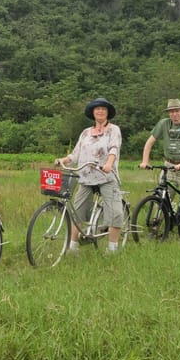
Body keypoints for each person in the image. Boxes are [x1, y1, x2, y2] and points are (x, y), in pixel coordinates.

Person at [57, 98, 124, 254]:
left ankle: (112, 247)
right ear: (93, 113)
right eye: (97, 109)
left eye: (103, 109)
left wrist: (109, 163)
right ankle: (72, 246)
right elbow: (75, 154)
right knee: (77, 211)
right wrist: (63, 160)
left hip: (106, 176)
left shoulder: (114, 130)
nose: (100, 111)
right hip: (86, 176)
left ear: (107, 113)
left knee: (115, 212)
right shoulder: (86, 132)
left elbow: (114, 148)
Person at [139, 98, 180, 236]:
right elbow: (149, 142)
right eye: (171, 112)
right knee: (162, 197)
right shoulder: (164, 124)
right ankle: (155, 229)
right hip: (169, 165)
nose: (174, 114)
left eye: (176, 111)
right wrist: (145, 161)